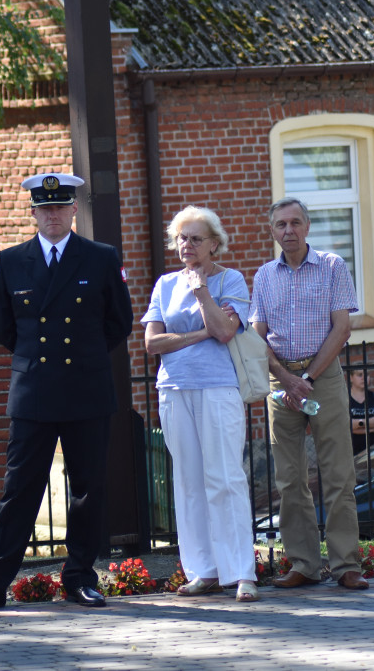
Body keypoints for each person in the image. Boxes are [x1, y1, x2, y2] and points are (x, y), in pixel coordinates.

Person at [0, 172, 132, 613]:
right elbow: (4, 328)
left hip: (85, 388)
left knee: (88, 488)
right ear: (33, 213)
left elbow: (118, 323)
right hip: (35, 391)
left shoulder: (100, 257)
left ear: (73, 211)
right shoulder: (11, 260)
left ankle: (80, 577)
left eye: (59, 207)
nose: (52, 215)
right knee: (20, 488)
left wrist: (80, 358)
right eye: (43, 208)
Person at [250, 197, 369, 592]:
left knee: (338, 474)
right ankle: (303, 563)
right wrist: (286, 378)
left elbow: (342, 328)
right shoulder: (265, 275)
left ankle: (346, 564)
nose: (289, 231)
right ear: (272, 231)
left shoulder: (333, 266)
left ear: (308, 226)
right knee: (289, 479)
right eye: (281, 225)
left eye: (295, 223)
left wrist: (309, 379)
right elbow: (257, 337)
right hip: (280, 383)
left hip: (325, 378)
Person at [142, 205, 259, 603]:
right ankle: (203, 571)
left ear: (214, 244)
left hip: (218, 388)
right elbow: (152, 343)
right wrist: (196, 337)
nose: (186, 245)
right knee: (189, 482)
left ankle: (242, 572)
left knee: (225, 478)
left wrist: (200, 290)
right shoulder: (163, 285)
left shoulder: (233, 280)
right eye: (181, 238)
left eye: (195, 238)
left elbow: (226, 331)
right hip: (173, 390)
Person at [348, 369, 374, 456]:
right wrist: (371, 426)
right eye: (359, 375)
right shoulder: (345, 399)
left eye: (366, 375)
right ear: (351, 378)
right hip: (352, 449)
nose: (364, 378)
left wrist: (358, 424)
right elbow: (345, 425)